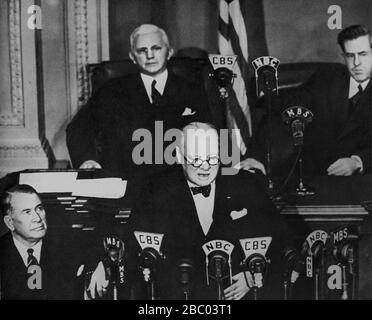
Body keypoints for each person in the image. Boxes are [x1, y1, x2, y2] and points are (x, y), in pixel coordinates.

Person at [88, 122, 296, 300]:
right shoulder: (156, 188)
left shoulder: (246, 185)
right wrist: (105, 265)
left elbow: (282, 239)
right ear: (179, 156)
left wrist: (252, 276)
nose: (205, 167)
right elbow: (132, 240)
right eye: (195, 160)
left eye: (212, 159)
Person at [66, 24, 212, 200]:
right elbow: (78, 128)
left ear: (170, 52)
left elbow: (210, 133)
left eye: (156, 48)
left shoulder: (192, 90)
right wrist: (88, 159)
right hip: (126, 185)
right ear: (132, 57)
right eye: (142, 50)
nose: (149, 55)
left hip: (178, 185)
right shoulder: (111, 90)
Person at [240, 24, 372, 176]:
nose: (356, 63)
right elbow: (285, 105)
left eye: (363, 54)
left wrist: (357, 161)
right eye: (350, 55)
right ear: (343, 56)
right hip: (313, 175)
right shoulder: (328, 77)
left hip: (360, 180)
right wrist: (258, 157)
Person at [0, 185, 81, 299]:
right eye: (27, 212)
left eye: (39, 208)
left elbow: (93, 247)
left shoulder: (64, 244)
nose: (38, 218)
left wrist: (97, 266)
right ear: (10, 222)